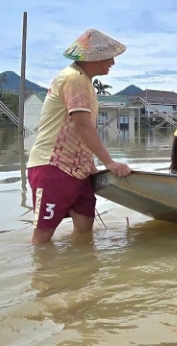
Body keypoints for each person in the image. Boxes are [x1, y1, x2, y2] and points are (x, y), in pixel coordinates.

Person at [26, 29, 132, 244]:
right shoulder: (73, 79)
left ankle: (81, 275)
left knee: (84, 233)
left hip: (79, 171)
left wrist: (91, 165)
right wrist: (109, 162)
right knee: (43, 237)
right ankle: (43, 276)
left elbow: (78, 131)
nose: (113, 62)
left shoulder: (85, 82)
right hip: (53, 167)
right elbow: (83, 125)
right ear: (95, 57)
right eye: (110, 57)